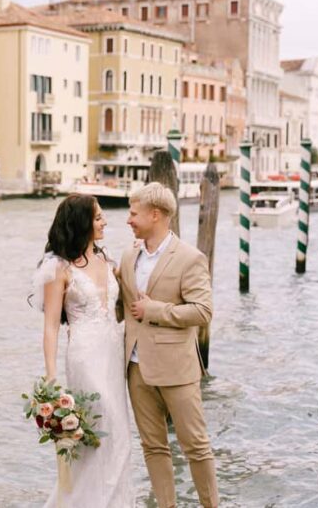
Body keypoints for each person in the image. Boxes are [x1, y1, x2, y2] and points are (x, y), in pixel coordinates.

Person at [119, 182, 219, 507]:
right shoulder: (127, 255)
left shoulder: (190, 258)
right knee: (153, 446)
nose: (129, 220)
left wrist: (155, 310)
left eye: (134, 213)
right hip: (135, 369)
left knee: (196, 446)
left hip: (177, 368)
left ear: (155, 215)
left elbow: (203, 311)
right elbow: (122, 307)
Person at [32, 194, 134, 507]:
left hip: (113, 353)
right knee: (100, 431)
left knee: (119, 436)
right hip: (85, 356)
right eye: (98, 217)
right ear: (81, 223)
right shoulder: (59, 268)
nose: (105, 222)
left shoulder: (108, 259)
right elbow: (51, 326)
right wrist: (50, 377)